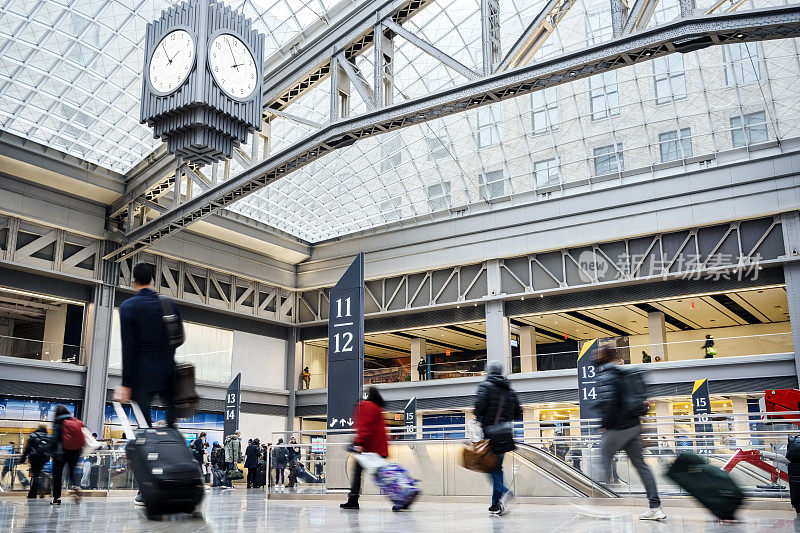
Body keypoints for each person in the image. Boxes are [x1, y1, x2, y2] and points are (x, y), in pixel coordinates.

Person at [595, 346, 665, 521]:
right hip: (634, 427)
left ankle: (597, 504)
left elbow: (609, 402)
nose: (595, 357)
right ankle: (655, 507)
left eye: (598, 354)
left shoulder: (606, 375)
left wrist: (604, 425)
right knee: (641, 466)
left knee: (600, 460)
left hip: (617, 428)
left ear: (604, 356)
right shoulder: (625, 373)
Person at [473, 360, 522, 516]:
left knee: (490, 468)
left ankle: (505, 493)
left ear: (489, 371)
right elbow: (518, 413)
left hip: (490, 434)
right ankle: (496, 504)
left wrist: (483, 417)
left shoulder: (485, 386)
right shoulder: (509, 389)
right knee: (496, 468)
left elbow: (478, 408)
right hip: (505, 434)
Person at [340, 386, 389, 510]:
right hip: (379, 448)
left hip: (369, 450)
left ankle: (353, 500)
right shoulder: (378, 408)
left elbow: (365, 428)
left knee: (357, 473)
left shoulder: (365, 406)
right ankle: (401, 497)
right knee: (383, 476)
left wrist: (358, 443)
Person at [48, 405, 83, 505]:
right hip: (75, 451)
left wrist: (48, 450)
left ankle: (56, 498)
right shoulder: (74, 420)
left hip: (60, 453)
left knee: (57, 476)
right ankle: (76, 486)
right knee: (72, 472)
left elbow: (54, 438)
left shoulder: (58, 422)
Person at [20, 425, 50, 499]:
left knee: (35, 475)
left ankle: (40, 488)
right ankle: (33, 494)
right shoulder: (49, 436)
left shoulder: (33, 435)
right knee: (37, 474)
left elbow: (27, 448)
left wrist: (23, 458)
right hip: (44, 458)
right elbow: (51, 448)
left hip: (34, 457)